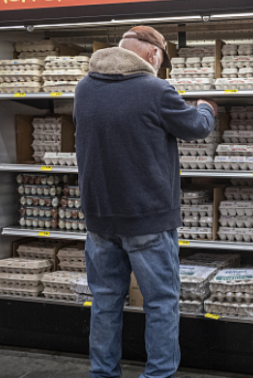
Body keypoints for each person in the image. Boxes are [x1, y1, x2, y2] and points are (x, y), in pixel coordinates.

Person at [74, 26, 217, 378]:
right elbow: (196, 128)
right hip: (147, 219)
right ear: (153, 56)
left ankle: (104, 373)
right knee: (160, 303)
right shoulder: (155, 89)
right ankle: (157, 375)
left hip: (99, 219)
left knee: (105, 302)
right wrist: (206, 108)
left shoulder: (83, 88)